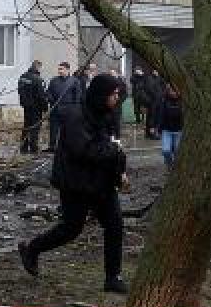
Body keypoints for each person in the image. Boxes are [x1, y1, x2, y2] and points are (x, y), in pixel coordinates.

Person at [18, 73, 129, 294]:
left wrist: (120, 173)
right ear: (100, 94)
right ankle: (32, 249)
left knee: (115, 225)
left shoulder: (108, 115)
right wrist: (114, 150)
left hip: (102, 182)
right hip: (76, 182)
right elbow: (84, 151)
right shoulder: (76, 116)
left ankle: (112, 277)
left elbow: (113, 146)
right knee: (71, 228)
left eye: (118, 94)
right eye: (113, 94)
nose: (116, 98)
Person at [45, 62, 79, 151]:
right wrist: (51, 99)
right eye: (59, 69)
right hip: (55, 109)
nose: (59, 71)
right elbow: (48, 92)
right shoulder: (54, 80)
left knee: (68, 130)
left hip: (68, 110)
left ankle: (68, 146)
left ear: (68, 70)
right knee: (53, 129)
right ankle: (52, 146)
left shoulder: (74, 81)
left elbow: (77, 96)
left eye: (61, 69)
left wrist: (75, 109)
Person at [17, 60, 48, 154]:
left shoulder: (22, 77)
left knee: (26, 126)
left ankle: (23, 148)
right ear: (38, 67)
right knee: (35, 127)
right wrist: (45, 108)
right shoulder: (38, 79)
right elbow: (41, 96)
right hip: (36, 108)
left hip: (26, 106)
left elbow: (20, 91)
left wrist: (24, 103)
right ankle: (34, 148)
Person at [154, 83, 184, 167]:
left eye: (175, 91)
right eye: (172, 90)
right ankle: (170, 165)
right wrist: (156, 127)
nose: (174, 93)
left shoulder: (183, 101)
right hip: (166, 130)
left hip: (179, 130)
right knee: (166, 150)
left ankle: (175, 167)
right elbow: (159, 114)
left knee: (177, 151)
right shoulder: (163, 100)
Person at [143, 70, 165, 139]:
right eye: (155, 71)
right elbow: (149, 89)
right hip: (152, 101)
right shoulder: (149, 78)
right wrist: (156, 96)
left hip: (158, 101)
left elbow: (162, 87)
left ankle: (153, 132)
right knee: (151, 117)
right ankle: (151, 133)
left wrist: (161, 95)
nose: (156, 72)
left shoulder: (159, 78)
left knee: (157, 117)